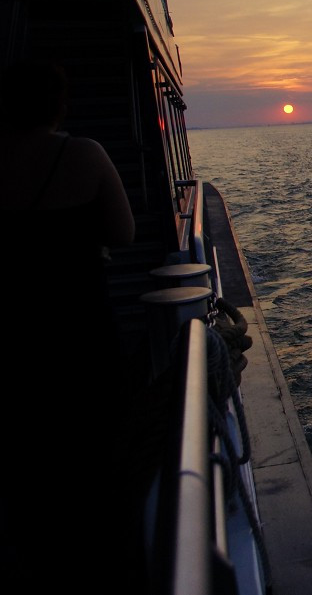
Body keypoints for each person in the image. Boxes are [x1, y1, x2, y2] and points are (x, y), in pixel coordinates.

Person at [0, 59, 141, 589]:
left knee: (26, 459)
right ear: (59, 104)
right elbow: (124, 232)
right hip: (79, 327)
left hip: (14, 338)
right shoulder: (81, 154)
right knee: (95, 453)